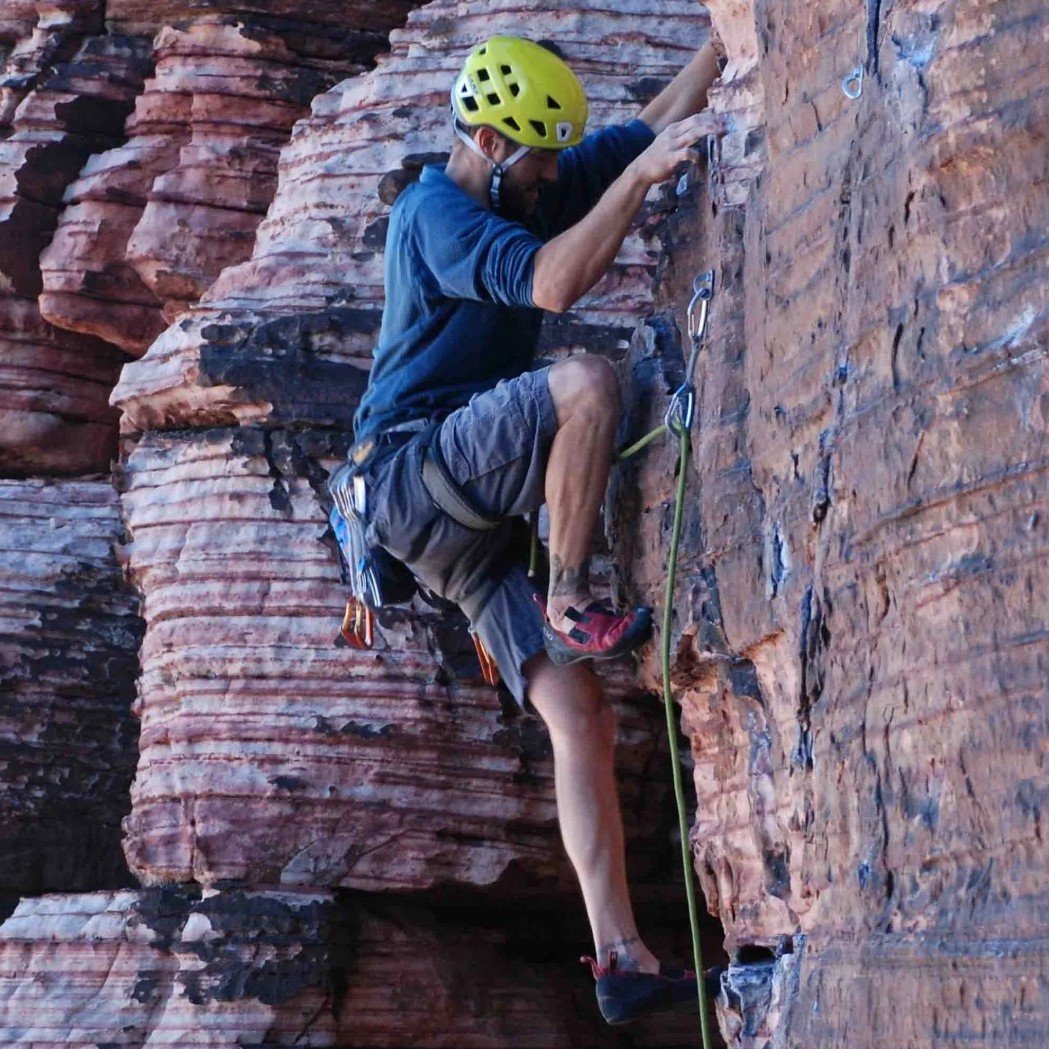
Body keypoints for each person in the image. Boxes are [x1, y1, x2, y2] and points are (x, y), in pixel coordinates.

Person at [349, 35, 722, 1024]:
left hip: (463, 516)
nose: (556, 173)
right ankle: (571, 590)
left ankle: (620, 957)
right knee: (585, 382)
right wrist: (637, 176)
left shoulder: (530, 183)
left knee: (580, 714)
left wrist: (726, 40)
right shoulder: (435, 213)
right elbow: (554, 286)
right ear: (486, 138)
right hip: (410, 473)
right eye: (540, 157)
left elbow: (651, 126)